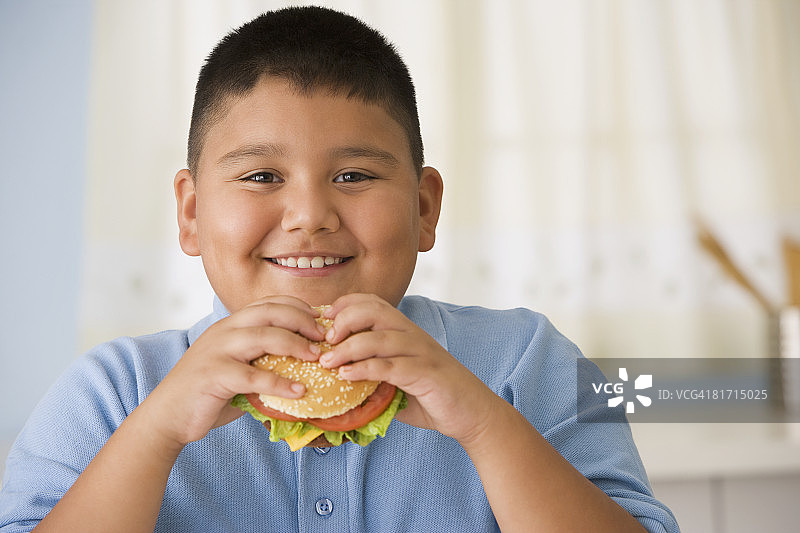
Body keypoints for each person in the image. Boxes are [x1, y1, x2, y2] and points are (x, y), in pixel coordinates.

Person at [0, 6, 678, 532]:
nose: (309, 214)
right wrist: (158, 430)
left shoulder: (529, 360)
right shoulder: (115, 392)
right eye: (263, 175)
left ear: (423, 207)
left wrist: (479, 419)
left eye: (353, 175)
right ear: (191, 212)